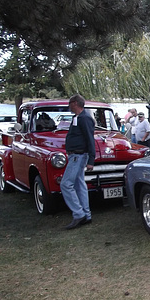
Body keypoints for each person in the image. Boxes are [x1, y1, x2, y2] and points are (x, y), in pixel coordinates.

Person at [62, 95, 95, 230]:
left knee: (66, 184)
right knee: (79, 184)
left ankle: (78, 213)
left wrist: (91, 159)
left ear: (75, 103)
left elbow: (90, 138)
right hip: (76, 155)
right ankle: (86, 215)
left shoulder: (84, 118)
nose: (69, 106)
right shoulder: (78, 118)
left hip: (78, 155)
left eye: (70, 104)